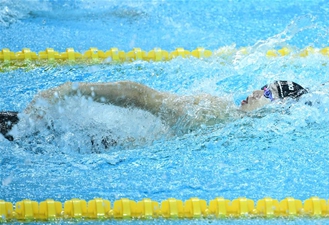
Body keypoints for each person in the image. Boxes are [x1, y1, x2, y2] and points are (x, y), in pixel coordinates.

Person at [0, 80, 308, 141]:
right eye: (262, 85)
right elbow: (141, 96)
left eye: (268, 92)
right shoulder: (216, 111)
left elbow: (140, 95)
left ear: (278, 109)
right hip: (91, 142)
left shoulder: (226, 119)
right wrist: (67, 91)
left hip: (94, 142)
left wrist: (68, 90)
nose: (256, 92)